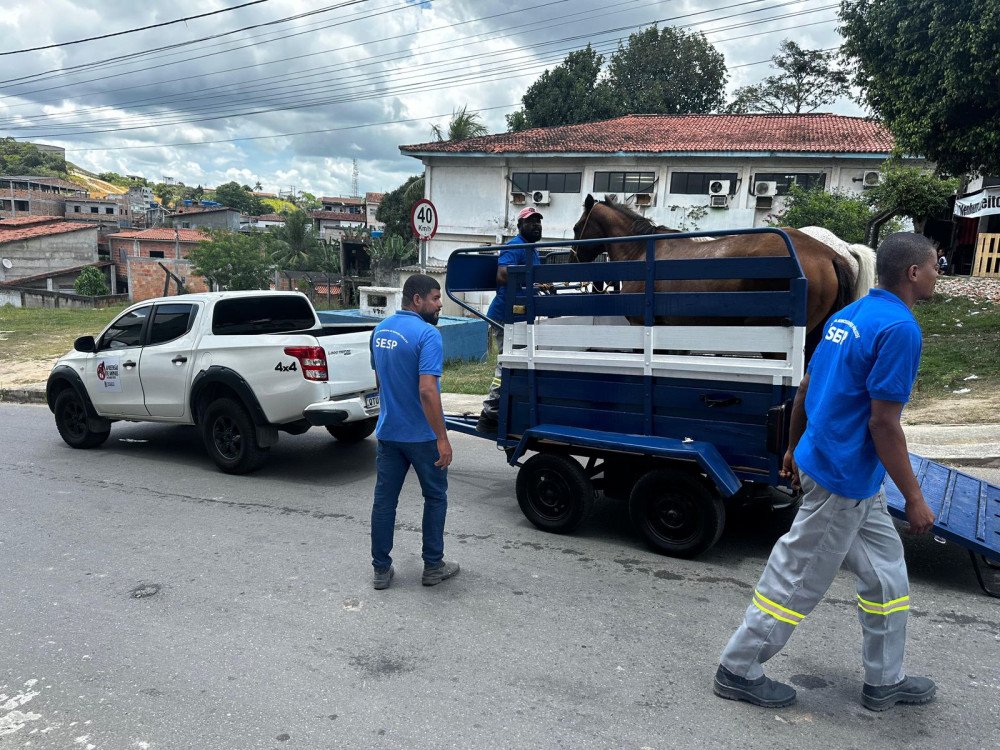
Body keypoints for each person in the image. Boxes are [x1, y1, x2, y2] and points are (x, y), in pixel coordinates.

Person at [714, 232, 940, 712]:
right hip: (842, 480)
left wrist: (793, 448)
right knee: (796, 577)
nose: (939, 274)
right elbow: (884, 423)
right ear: (914, 273)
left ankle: (885, 679)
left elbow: (804, 390)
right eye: (936, 266)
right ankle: (738, 668)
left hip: (844, 473)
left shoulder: (847, 316)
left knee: (886, 579)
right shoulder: (899, 329)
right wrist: (915, 497)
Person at [369, 273, 458, 590]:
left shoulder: (380, 331)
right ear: (417, 299)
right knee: (435, 498)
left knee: (384, 503)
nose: (439, 305)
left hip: (389, 434)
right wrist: (443, 438)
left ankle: (381, 570)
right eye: (435, 298)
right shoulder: (428, 335)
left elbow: (380, 381)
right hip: (422, 438)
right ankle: (433, 566)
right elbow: (427, 391)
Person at [476, 206, 544, 434]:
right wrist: (532, 278)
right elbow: (502, 274)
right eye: (531, 221)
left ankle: (507, 408)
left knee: (522, 363)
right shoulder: (514, 246)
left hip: (522, 315)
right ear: (520, 225)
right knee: (506, 364)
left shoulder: (533, 250)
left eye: (538, 221)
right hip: (506, 316)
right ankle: (489, 414)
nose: (536, 225)